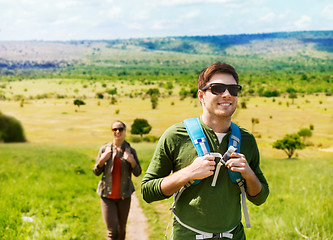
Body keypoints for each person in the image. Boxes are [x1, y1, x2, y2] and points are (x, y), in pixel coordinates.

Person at [141, 62, 269, 240]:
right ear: (201, 96)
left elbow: (260, 197)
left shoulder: (246, 140)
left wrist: (248, 174)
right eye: (217, 88)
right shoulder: (176, 136)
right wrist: (188, 173)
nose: (226, 94)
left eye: (233, 89)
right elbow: (147, 191)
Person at [93, 120, 142, 240]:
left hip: (124, 196)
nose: (118, 131)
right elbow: (96, 171)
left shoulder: (130, 151)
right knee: (112, 232)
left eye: (120, 129)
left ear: (125, 131)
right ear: (112, 132)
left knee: (121, 231)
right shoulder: (105, 150)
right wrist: (101, 161)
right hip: (107, 196)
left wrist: (132, 161)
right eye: (115, 129)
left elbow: (138, 172)